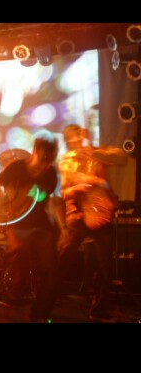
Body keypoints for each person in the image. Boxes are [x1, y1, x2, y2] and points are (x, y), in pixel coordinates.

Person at [57, 124, 127, 321]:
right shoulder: (67, 161)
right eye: (74, 137)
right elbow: (65, 192)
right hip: (78, 215)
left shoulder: (98, 152)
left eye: (80, 135)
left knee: (104, 265)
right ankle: (46, 298)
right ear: (68, 141)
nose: (78, 139)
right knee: (65, 256)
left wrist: (94, 153)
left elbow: (121, 158)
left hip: (101, 214)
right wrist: (83, 186)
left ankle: (99, 308)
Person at [0, 129, 59, 323]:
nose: (46, 161)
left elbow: (45, 196)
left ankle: (40, 314)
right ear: (35, 150)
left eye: (50, 158)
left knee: (49, 272)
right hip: (19, 224)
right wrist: (1, 201)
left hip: (41, 226)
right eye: (44, 156)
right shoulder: (17, 167)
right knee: (19, 269)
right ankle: (10, 305)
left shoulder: (50, 173)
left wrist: (37, 193)